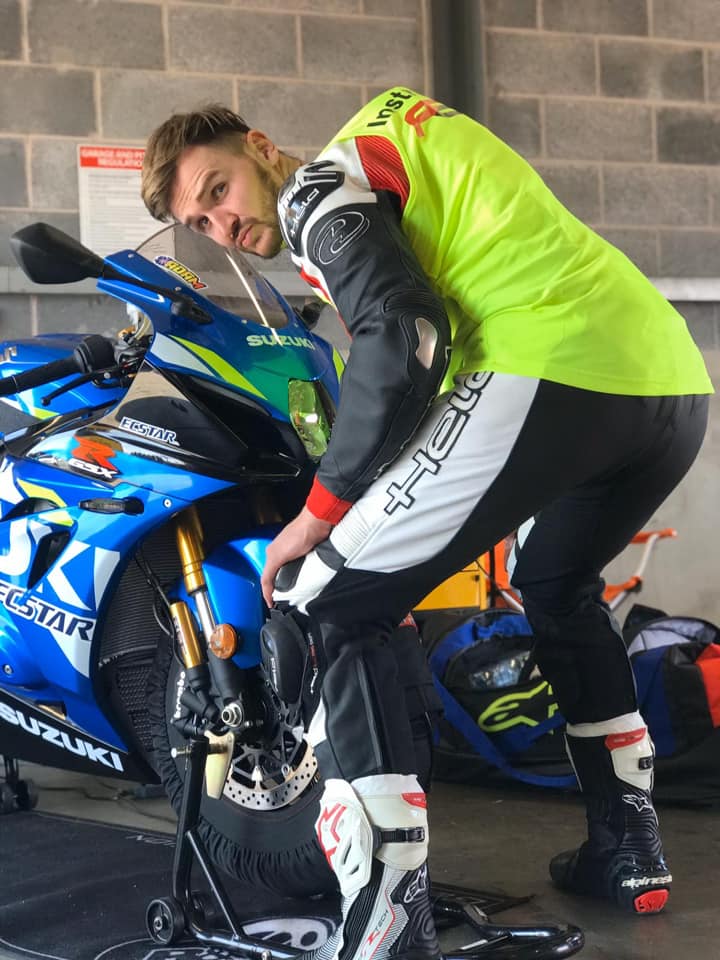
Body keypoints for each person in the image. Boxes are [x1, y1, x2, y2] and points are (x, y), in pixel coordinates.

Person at [142, 87, 712, 955]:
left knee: (324, 596)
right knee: (556, 587)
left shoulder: (318, 188)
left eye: (219, 191)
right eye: (201, 225)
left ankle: (388, 912)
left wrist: (325, 514)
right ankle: (629, 850)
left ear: (260, 146)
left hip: (549, 363)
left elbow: (404, 335)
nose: (225, 227)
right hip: (666, 381)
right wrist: (390, 528)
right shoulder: (398, 133)